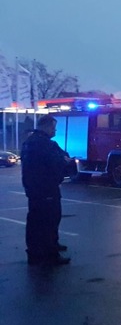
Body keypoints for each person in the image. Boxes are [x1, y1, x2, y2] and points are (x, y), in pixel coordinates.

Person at [22, 114, 73, 266]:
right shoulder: (45, 144)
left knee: (35, 221)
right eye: (53, 127)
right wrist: (65, 163)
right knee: (49, 221)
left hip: (34, 188)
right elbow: (57, 160)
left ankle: (35, 252)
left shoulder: (30, 142)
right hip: (46, 188)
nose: (55, 131)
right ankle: (50, 254)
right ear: (46, 126)